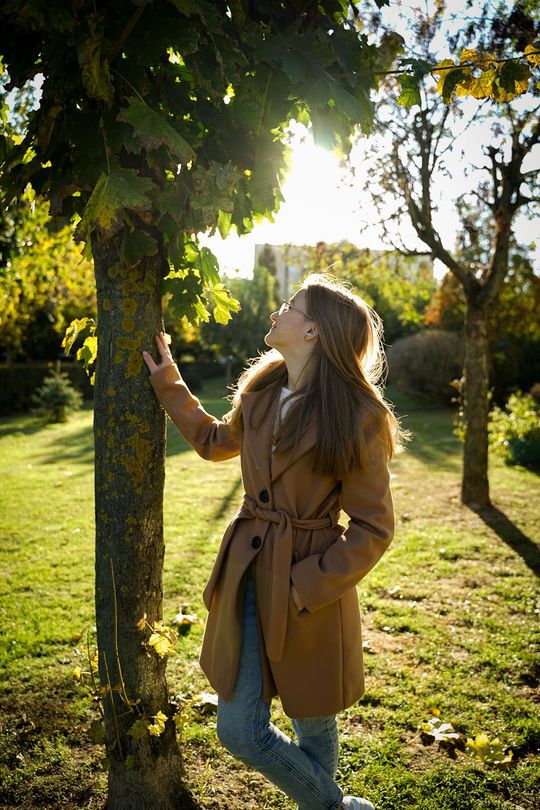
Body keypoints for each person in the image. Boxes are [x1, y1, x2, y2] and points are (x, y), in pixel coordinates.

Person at [143, 274, 403, 810]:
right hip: (247, 569)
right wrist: (169, 383)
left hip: (310, 580)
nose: (275, 312)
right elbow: (215, 441)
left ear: (312, 331)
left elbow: (374, 527)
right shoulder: (262, 390)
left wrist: (305, 586)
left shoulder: (359, 417)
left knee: (313, 715)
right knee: (240, 731)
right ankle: (337, 807)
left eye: (289, 305)